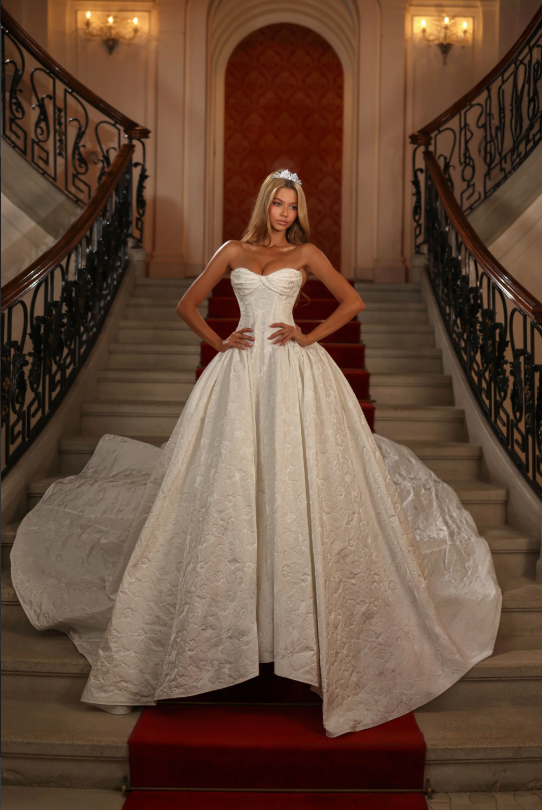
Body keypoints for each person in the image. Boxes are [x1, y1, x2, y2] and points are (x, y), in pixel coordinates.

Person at [11, 169, 501, 738]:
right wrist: (222, 342)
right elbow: (187, 303)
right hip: (239, 376)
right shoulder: (233, 250)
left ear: (298, 211)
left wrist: (307, 336)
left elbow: (353, 301)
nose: (285, 212)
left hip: (293, 376)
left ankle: (298, 633)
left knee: (294, 486)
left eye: (293, 205)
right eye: (278, 203)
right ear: (265, 205)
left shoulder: (308, 252)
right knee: (233, 486)